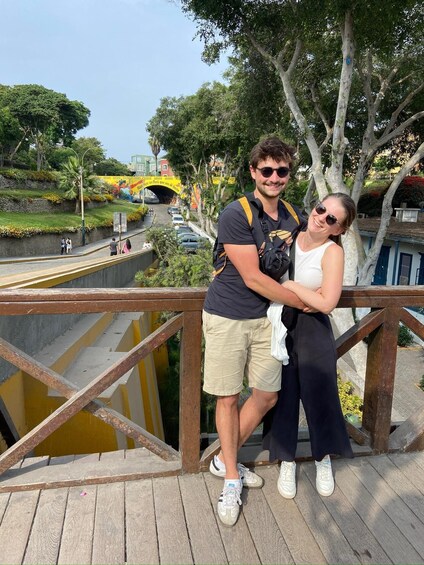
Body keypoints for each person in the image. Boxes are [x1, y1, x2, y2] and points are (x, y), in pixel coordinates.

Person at [202, 137, 307, 527]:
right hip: (228, 316)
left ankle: (222, 458)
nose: (274, 177)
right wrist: (305, 302)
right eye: (267, 170)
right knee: (228, 397)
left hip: (268, 320)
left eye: (282, 171)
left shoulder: (293, 216)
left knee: (266, 395)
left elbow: (310, 251)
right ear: (253, 172)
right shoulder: (236, 213)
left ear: (289, 174)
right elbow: (253, 277)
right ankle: (232, 476)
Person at [263, 193, 357, 500]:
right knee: (283, 393)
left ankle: (323, 457)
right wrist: (308, 295)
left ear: (339, 229)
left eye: (332, 219)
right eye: (321, 209)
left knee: (321, 393)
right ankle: (286, 459)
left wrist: (291, 286)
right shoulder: (290, 234)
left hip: (313, 327)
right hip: (281, 323)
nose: (321, 218)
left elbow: (327, 303)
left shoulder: (332, 252)